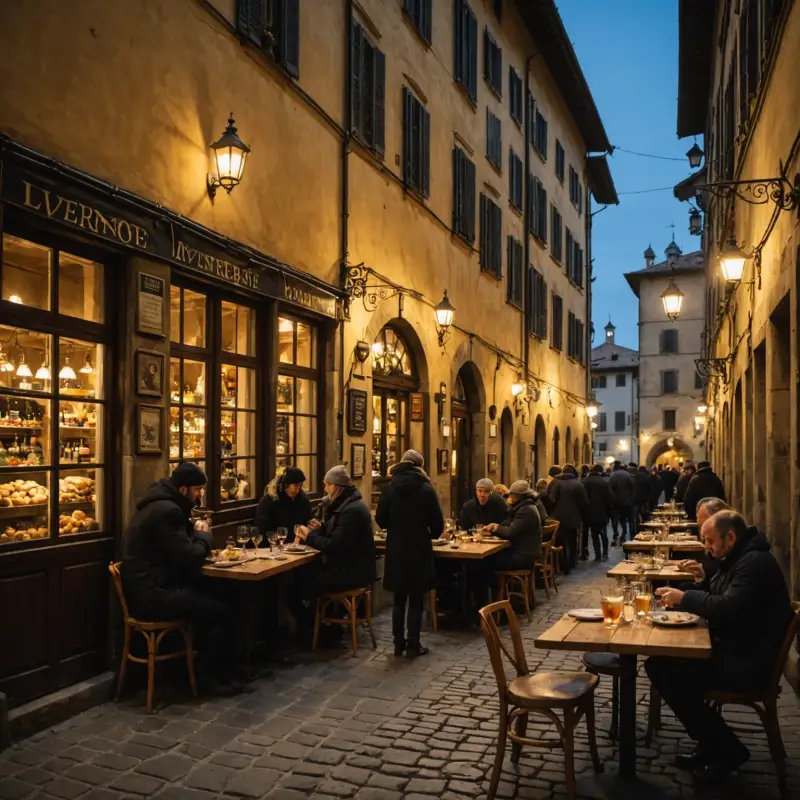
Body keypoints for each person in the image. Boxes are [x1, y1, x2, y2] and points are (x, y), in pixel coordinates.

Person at [647, 510, 793, 783]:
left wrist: (685, 597)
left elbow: (727, 608)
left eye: (710, 541)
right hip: (738, 649)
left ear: (731, 537)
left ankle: (727, 750)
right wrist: (695, 586)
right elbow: (719, 594)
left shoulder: (754, 563)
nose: (706, 547)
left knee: (666, 672)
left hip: (749, 662)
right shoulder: (738, 557)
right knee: (659, 663)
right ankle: (711, 743)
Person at [120, 463, 237, 689]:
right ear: (183, 489)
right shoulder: (166, 511)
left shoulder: (163, 505)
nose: (200, 494)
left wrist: (195, 534)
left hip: (154, 586)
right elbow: (187, 556)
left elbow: (175, 549)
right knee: (221, 611)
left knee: (223, 594)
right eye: (197, 489)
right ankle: (211, 678)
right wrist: (204, 536)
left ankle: (212, 671)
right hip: (153, 595)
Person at [376, 450, 443, 658]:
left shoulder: (389, 488)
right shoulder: (426, 490)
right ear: (419, 466)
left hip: (396, 548)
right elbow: (438, 525)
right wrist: (427, 533)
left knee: (398, 600)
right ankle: (413, 644)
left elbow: (380, 519)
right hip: (419, 549)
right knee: (416, 599)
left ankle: (398, 644)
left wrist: (395, 527)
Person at [293, 466, 376, 633]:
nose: (325, 489)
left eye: (328, 484)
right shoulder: (346, 505)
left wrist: (309, 536)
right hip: (351, 569)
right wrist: (321, 529)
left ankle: (316, 627)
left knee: (295, 584)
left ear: (338, 487)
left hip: (351, 573)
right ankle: (325, 625)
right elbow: (340, 537)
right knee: (303, 578)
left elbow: (334, 546)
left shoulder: (351, 511)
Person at [482, 480, 542, 571]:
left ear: (519, 496)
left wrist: (496, 528)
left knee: (486, 561)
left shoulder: (525, 510)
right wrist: (495, 526)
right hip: (524, 553)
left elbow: (511, 532)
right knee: (489, 558)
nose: (510, 497)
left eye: (512, 494)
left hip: (523, 557)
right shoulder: (525, 506)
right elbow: (509, 523)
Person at [548, 464, 589, 573]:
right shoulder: (578, 484)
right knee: (572, 540)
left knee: (561, 540)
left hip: (558, 516)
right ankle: (572, 562)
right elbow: (583, 502)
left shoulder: (557, 483)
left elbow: (551, 499)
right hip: (573, 516)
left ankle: (563, 564)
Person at [254, 465, 311, 543]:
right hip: (273, 544)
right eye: (295, 486)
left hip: (299, 544)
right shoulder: (268, 501)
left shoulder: (303, 499)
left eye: (300, 486)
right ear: (284, 485)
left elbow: (307, 522)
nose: (298, 491)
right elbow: (262, 530)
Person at [582, 464, 612, 561]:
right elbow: (609, 499)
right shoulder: (604, 482)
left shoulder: (584, 481)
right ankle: (605, 553)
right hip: (602, 513)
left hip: (589, 513)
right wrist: (608, 512)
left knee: (594, 535)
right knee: (603, 535)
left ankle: (597, 555)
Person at [608, 460, 636, 546]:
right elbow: (632, 486)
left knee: (616, 520)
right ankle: (629, 535)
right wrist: (631, 497)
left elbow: (610, 488)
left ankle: (616, 535)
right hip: (627, 501)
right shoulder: (627, 475)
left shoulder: (613, 475)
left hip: (616, 501)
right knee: (629, 519)